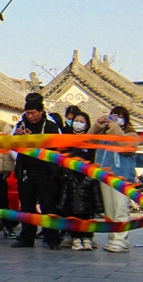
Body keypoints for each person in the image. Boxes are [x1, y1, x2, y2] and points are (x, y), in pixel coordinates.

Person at [10, 94, 62, 250]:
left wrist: (31, 139)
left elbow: (54, 147)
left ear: (41, 111)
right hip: (26, 171)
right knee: (27, 206)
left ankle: (52, 238)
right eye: (28, 113)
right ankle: (27, 237)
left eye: (33, 113)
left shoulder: (51, 126)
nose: (30, 116)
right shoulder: (21, 124)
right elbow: (12, 147)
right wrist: (17, 139)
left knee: (48, 205)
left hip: (45, 172)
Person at [91, 106, 137, 253]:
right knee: (109, 211)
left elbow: (126, 147)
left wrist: (114, 128)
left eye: (120, 117)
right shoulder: (105, 136)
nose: (117, 119)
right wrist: (98, 123)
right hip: (105, 176)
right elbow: (88, 140)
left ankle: (121, 240)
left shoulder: (131, 134)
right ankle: (112, 238)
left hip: (122, 177)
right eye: (114, 116)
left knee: (121, 208)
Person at [56, 112, 102, 251]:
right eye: (76, 120)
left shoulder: (90, 141)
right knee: (72, 209)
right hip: (70, 179)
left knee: (88, 210)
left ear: (87, 125)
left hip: (87, 179)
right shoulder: (66, 139)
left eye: (82, 121)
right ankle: (75, 237)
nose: (78, 123)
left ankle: (87, 237)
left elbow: (94, 158)